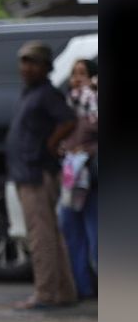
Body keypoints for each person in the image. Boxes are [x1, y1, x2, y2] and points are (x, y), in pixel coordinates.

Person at [5, 41, 78, 310]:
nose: (26, 67)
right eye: (23, 61)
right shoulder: (29, 93)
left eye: (32, 62)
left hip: (37, 172)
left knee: (41, 236)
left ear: (45, 66)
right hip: (26, 171)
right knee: (50, 235)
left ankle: (45, 293)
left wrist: (51, 142)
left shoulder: (47, 94)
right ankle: (64, 291)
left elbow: (68, 120)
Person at [58, 58, 98, 299]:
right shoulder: (69, 102)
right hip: (72, 176)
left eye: (82, 73)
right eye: (74, 73)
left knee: (95, 232)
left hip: (91, 175)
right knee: (72, 229)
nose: (77, 78)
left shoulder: (91, 99)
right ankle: (82, 286)